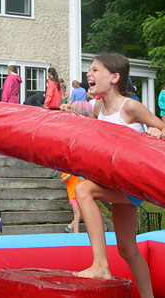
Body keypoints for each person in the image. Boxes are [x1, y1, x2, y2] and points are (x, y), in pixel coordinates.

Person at [65, 53, 165, 298]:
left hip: (133, 182)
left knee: (83, 189)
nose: (90, 74)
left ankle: (100, 264)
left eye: (96, 70)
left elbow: (162, 126)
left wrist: (156, 130)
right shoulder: (98, 107)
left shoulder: (129, 106)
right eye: (90, 70)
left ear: (114, 77)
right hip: (115, 181)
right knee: (128, 249)